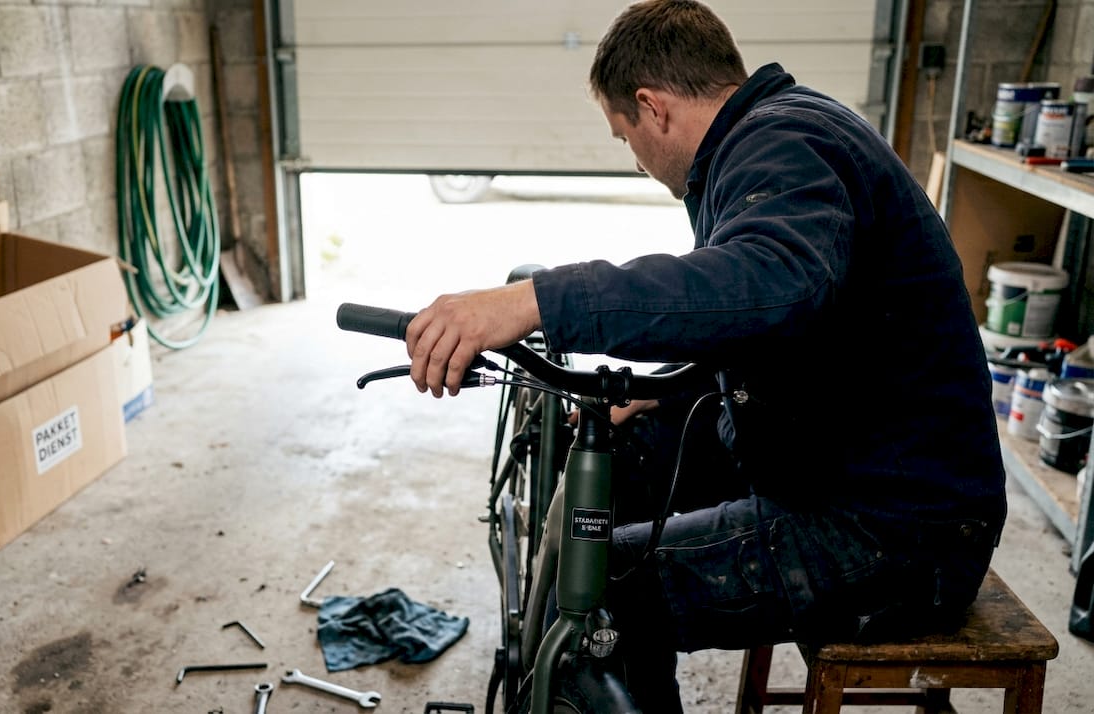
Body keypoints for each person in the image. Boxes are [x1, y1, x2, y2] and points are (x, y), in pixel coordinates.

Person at [402, 1, 1006, 711]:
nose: (634, 159)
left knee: (604, 588)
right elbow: (783, 336)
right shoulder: (779, 131)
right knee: (625, 451)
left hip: (896, 527)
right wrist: (671, 394)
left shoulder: (782, 147)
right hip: (845, 456)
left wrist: (534, 301)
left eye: (625, 136)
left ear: (652, 107)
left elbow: (769, 284)